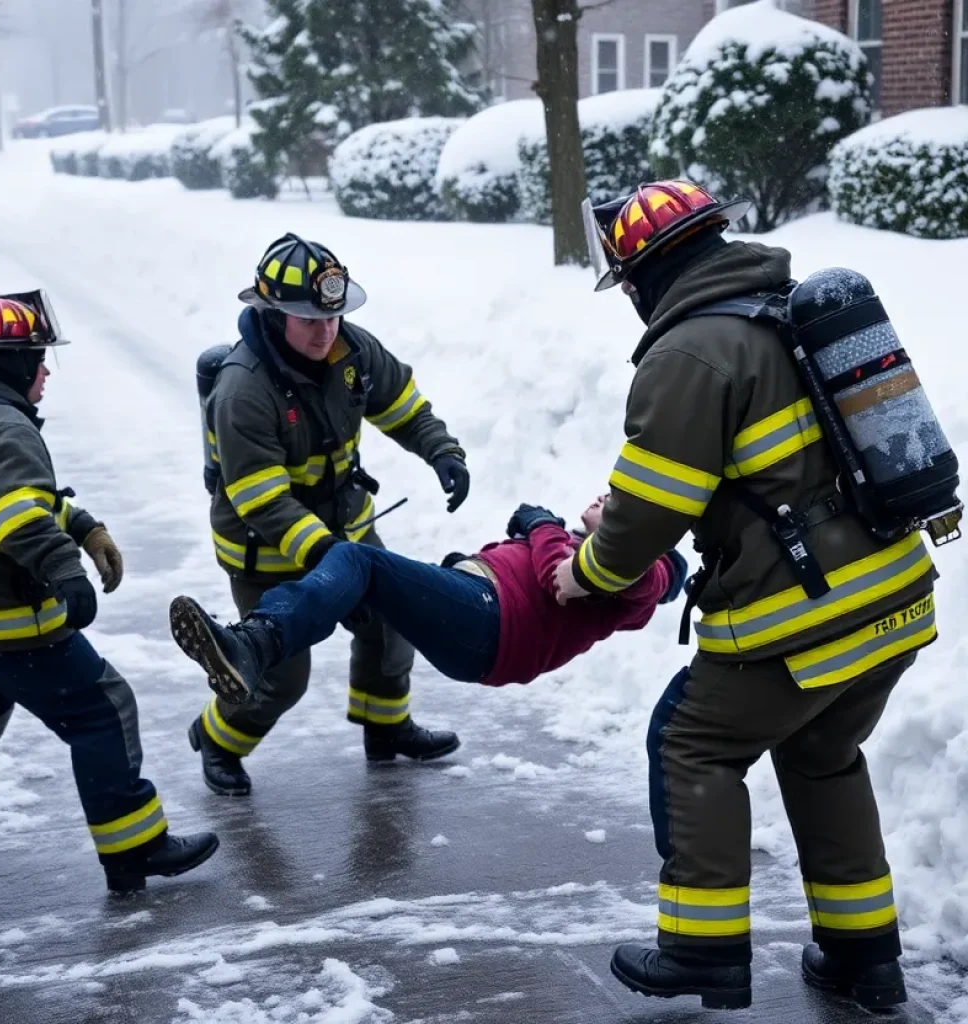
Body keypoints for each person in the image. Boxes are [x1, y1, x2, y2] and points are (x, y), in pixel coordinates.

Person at [552, 180, 939, 1011]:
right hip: (896, 596)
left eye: (626, 283)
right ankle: (864, 958)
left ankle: (703, 950)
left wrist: (586, 568)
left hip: (805, 613)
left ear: (647, 273)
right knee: (822, 754)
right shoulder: (786, 311)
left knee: (692, 742)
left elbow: (651, 510)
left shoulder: (690, 352)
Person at [0, 292, 219, 893]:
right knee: (102, 709)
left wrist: (83, 524)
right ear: (13, 362)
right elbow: (17, 515)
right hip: (5, 620)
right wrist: (68, 571)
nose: (45, 373)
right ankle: (134, 848)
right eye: (38, 360)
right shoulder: (3, 426)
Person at [191, 233, 469, 796]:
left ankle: (385, 728)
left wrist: (443, 451)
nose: (325, 332)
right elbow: (262, 499)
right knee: (282, 675)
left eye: (333, 317)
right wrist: (327, 562)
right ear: (272, 315)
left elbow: (405, 408)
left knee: (392, 626)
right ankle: (219, 738)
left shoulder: (352, 351)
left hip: (348, 527)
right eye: (309, 320)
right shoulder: (243, 389)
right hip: (267, 549)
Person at [168, 497, 687, 702]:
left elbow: (557, 579)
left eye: (616, 501)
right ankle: (257, 642)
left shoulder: (650, 573)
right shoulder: (606, 554)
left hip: (492, 621)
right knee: (363, 579)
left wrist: (543, 525)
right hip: (485, 616)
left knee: (358, 560)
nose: (602, 498)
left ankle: (255, 643)